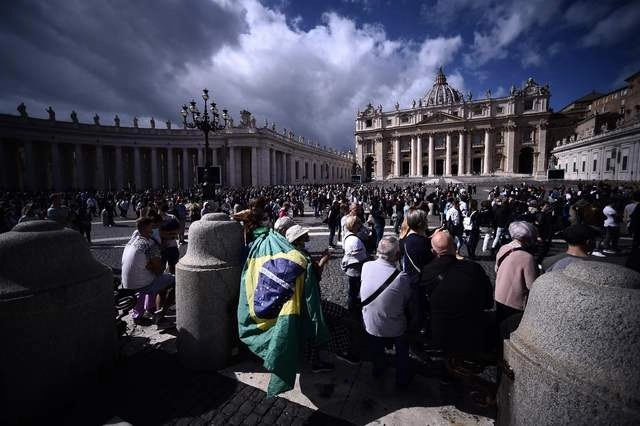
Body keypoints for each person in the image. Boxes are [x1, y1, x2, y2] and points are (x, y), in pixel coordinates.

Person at [421, 230, 493, 356]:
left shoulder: (427, 272)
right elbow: (488, 302)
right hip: (472, 331)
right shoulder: (474, 268)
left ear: (433, 252)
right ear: (455, 247)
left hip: (441, 331)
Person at [360, 236, 415, 389]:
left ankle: (378, 368)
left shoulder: (366, 266)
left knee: (377, 347)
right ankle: (402, 377)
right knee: (402, 347)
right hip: (394, 327)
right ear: (397, 256)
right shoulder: (402, 277)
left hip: (370, 323)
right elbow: (406, 300)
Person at [121, 217, 175, 326]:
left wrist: (150, 266)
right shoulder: (150, 244)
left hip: (126, 284)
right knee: (174, 280)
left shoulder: (132, 240)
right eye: (153, 227)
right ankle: (160, 314)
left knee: (157, 277)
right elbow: (158, 271)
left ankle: (150, 308)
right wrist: (152, 266)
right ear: (148, 229)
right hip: (141, 285)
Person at [494, 221, 538, 329]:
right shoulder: (527, 258)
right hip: (516, 302)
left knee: (500, 325)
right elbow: (532, 285)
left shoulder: (503, 248)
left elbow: (496, 269)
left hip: (499, 295)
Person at [341, 215, 369, 312]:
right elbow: (361, 258)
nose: (361, 225)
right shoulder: (355, 240)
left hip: (352, 269)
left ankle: (352, 309)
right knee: (354, 292)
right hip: (357, 269)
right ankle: (353, 310)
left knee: (352, 291)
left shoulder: (348, 236)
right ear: (354, 225)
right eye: (359, 223)